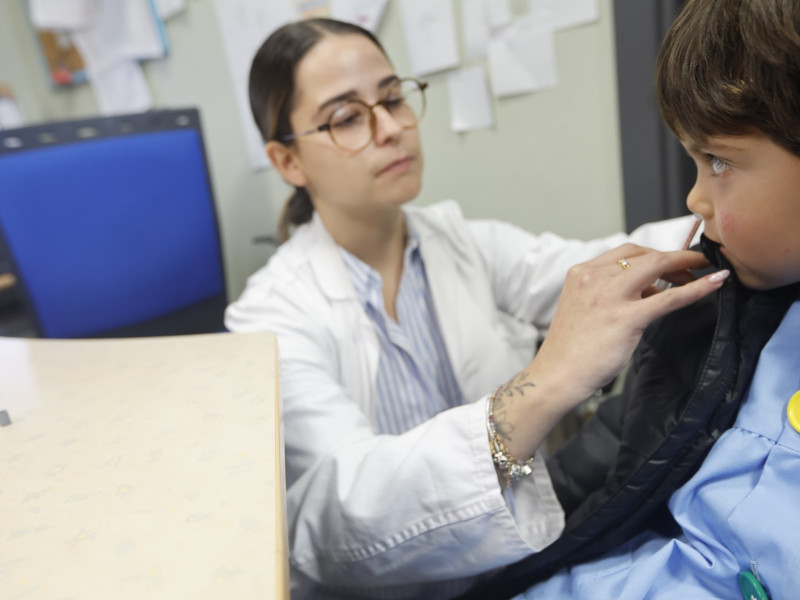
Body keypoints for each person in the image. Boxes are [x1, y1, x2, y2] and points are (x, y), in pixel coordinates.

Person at [224, 18, 726, 600]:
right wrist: (543, 386)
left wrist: (723, 214)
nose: (389, 128)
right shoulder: (269, 320)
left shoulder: (459, 242)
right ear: (287, 162)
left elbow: (598, 269)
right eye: (346, 118)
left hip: (511, 571)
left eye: (392, 98)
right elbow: (345, 513)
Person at [455, 1, 800, 598]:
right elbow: (596, 476)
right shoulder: (716, 311)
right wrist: (553, 378)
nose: (695, 199)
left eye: (717, 160)